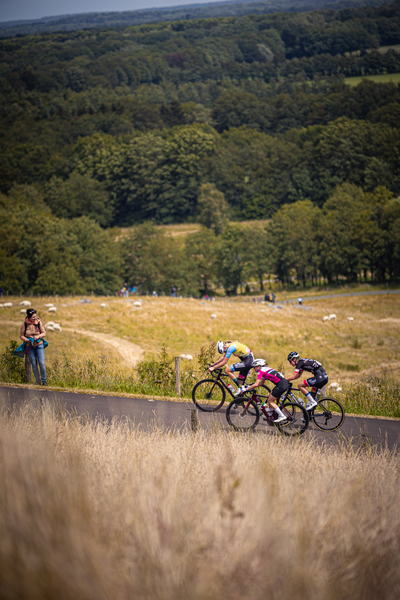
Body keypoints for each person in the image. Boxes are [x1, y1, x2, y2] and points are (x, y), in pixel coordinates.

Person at [240, 359, 288, 423]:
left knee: (270, 401)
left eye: (254, 367)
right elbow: (261, 383)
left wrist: (245, 389)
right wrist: (249, 386)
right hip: (282, 383)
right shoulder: (265, 369)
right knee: (270, 396)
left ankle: (282, 416)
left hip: (281, 385)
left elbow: (256, 384)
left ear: (259, 366)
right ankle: (270, 415)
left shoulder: (261, 371)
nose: (254, 369)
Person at [20, 308, 47, 386]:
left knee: (41, 363)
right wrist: (26, 340)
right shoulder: (24, 324)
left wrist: (38, 336)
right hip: (29, 346)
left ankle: (44, 381)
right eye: (33, 317)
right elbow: (21, 335)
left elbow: (44, 333)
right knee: (34, 364)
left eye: (35, 316)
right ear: (28, 317)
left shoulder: (38, 322)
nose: (35, 318)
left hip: (39, 345)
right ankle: (37, 381)